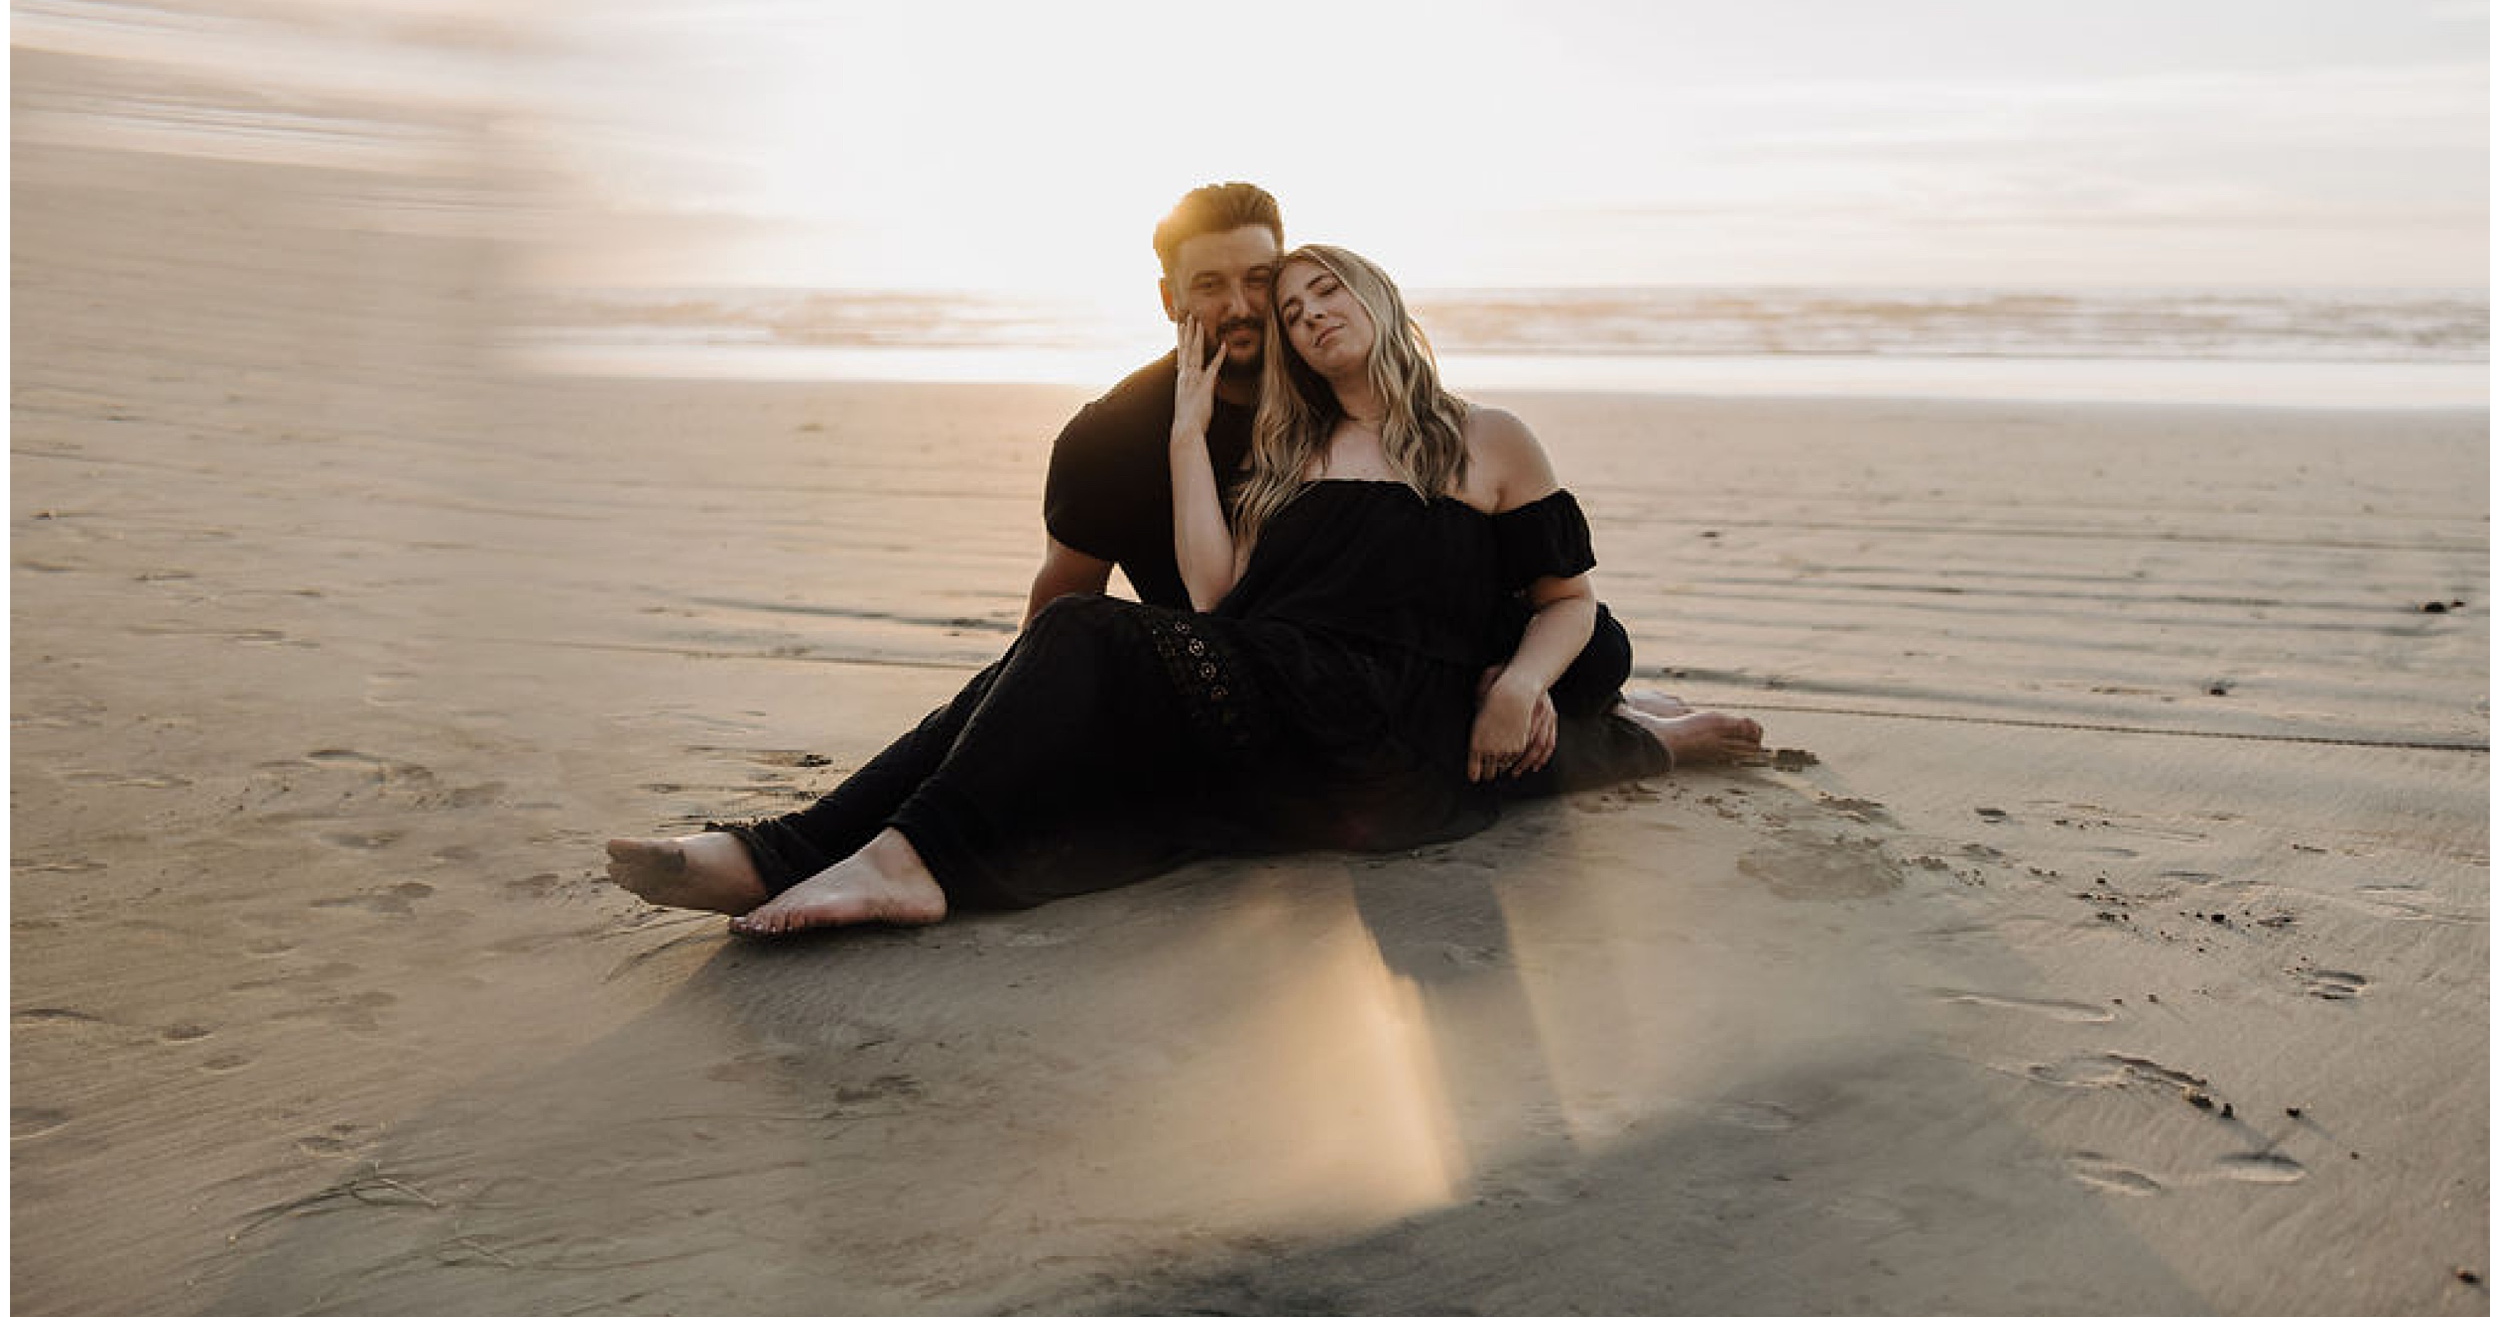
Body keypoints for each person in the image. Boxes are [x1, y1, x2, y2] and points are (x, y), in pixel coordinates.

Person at [607, 244, 1765, 938]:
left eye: (1327, 294)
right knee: (1070, 634)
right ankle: (779, 854)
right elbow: (1216, 596)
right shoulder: (1288, 455)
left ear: (1380, 301)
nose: (1309, 318)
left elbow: (1565, 599)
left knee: (1081, 635)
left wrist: (1518, 684)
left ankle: (910, 867)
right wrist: (1179, 423)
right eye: (1295, 311)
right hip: (1289, 702)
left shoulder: (1487, 437)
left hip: (1384, 722)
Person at [1028, 181, 1669, 789]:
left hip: (1431, 643)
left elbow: (1537, 585)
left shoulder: (1383, 414)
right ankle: (1640, 733)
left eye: (1261, 281)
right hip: (1261, 672)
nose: (1245, 306)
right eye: (1211, 286)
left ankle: (1624, 722)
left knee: (1595, 649)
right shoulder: (1134, 439)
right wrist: (1017, 719)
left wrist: (1523, 683)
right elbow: (1109, 602)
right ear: (1171, 299)